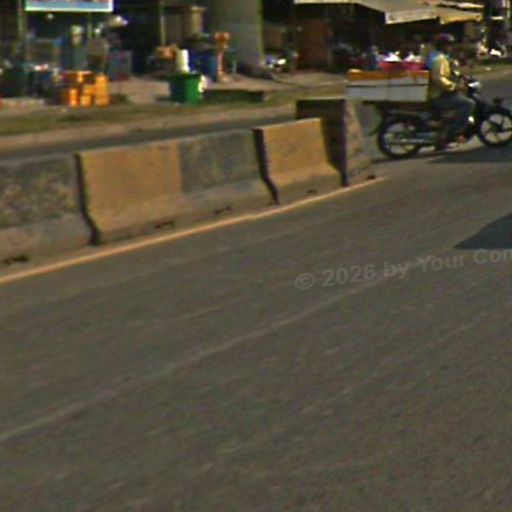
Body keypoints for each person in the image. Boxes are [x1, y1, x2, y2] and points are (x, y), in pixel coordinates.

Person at [427, 33, 475, 146]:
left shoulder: (436, 56)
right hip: (438, 95)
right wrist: (454, 86)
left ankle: (443, 133)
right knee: (469, 104)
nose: (451, 47)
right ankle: (452, 134)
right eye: (449, 45)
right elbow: (438, 78)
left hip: (438, 93)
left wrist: (460, 77)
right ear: (443, 46)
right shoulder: (439, 59)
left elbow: (449, 72)